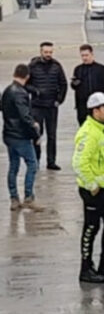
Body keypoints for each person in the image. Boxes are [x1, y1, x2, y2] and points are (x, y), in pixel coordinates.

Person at [73, 93, 104, 283]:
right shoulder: (88, 132)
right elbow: (79, 163)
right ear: (95, 111)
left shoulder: (103, 129)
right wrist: (92, 185)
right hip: (94, 190)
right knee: (91, 228)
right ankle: (86, 268)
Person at [1, 64, 43, 212]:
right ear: (27, 77)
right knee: (32, 164)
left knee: (13, 166)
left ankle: (14, 198)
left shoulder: (7, 91)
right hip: (21, 136)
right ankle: (28, 197)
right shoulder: (20, 93)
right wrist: (35, 133)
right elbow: (25, 117)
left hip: (8, 134)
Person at [27, 41, 67, 170]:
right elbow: (25, 84)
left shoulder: (57, 66)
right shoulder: (33, 66)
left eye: (50, 52)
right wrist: (35, 91)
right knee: (37, 134)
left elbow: (63, 84)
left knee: (52, 135)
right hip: (37, 106)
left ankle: (51, 161)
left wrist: (59, 100)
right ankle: (36, 160)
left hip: (51, 106)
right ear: (41, 52)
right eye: (46, 52)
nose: (48, 54)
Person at [70, 44, 104, 126]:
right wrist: (74, 84)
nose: (85, 58)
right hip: (82, 106)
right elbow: (75, 87)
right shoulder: (78, 69)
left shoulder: (101, 69)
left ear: (92, 54)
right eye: (82, 55)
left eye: (86, 55)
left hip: (98, 105)